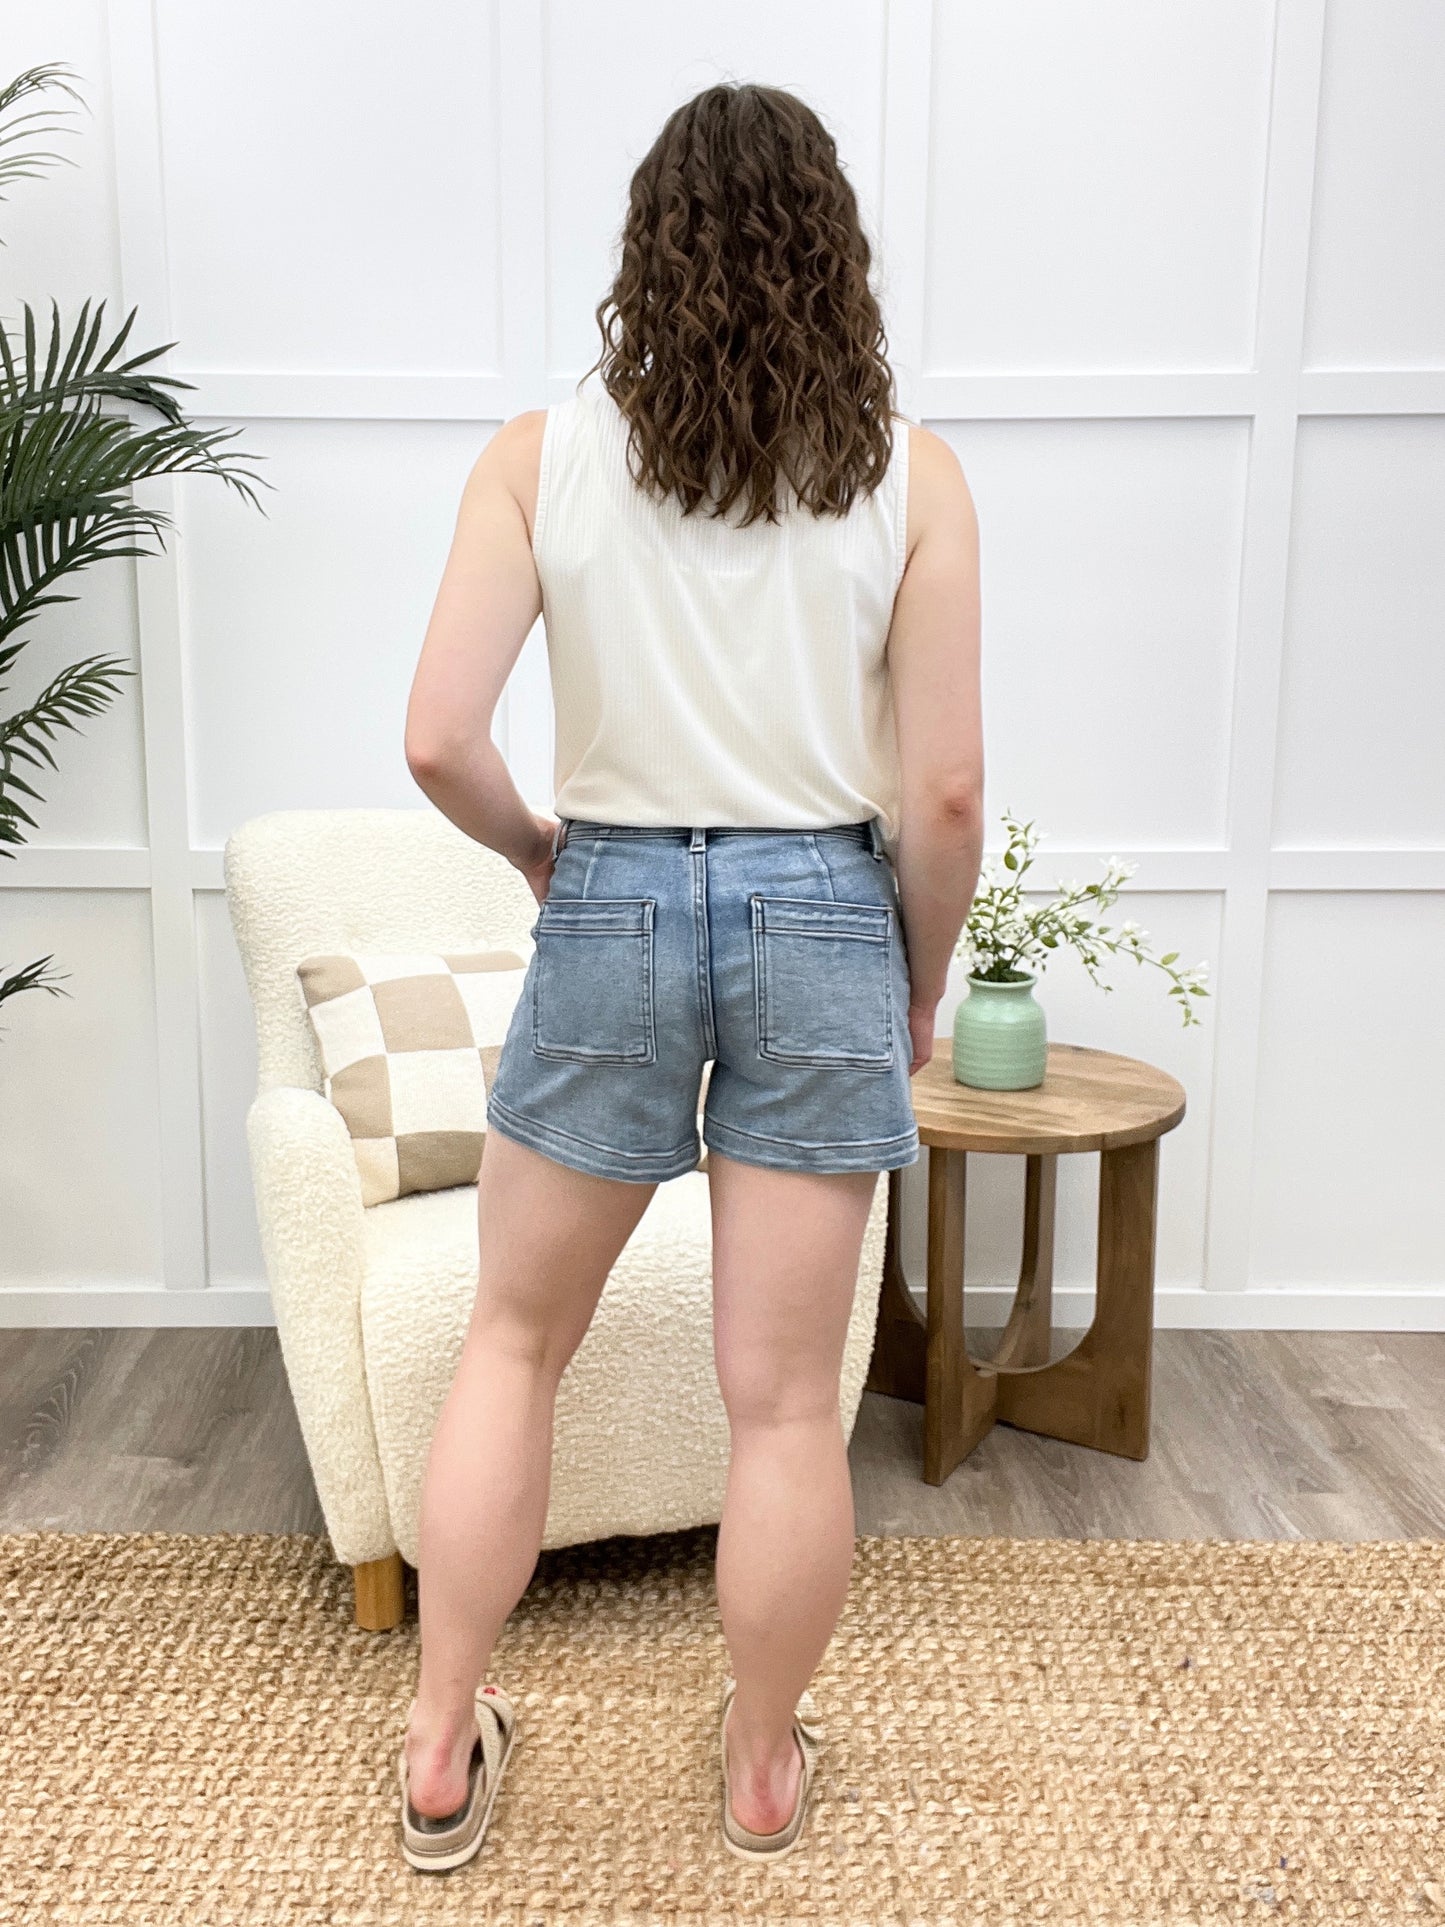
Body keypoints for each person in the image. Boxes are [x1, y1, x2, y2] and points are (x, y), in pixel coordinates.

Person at [397, 80, 983, 1871]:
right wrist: (912, 981)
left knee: (512, 1342)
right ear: (834, 256)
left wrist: (538, 852)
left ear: (646, 253)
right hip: (822, 911)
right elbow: (944, 796)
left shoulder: (538, 457)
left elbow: (436, 739)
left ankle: (438, 1746)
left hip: (614, 898)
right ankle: (758, 1763)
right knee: (786, 1403)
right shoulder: (912, 474)